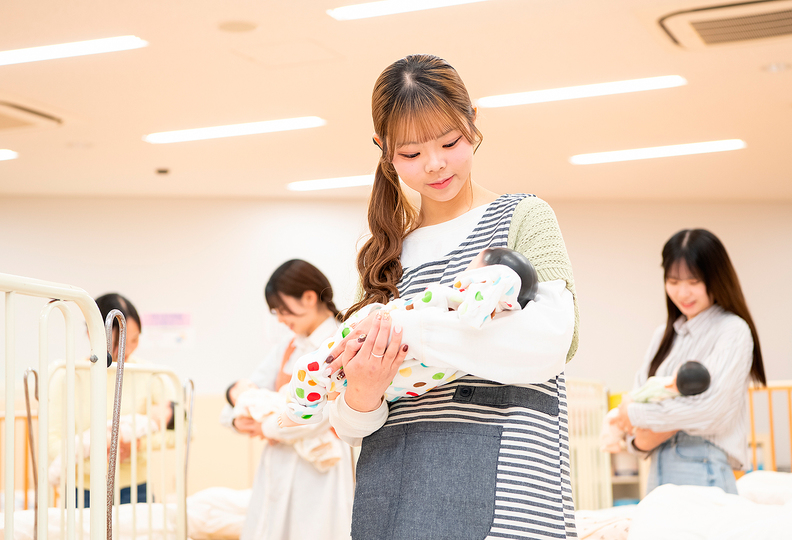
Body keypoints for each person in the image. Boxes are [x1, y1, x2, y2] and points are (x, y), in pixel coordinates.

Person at [322, 54, 580, 539]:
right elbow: (350, 423)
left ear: (472, 121)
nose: (435, 165)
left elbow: (548, 344)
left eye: (450, 142)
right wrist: (365, 387)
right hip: (396, 484)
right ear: (383, 149)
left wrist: (410, 330)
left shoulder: (524, 217)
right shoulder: (384, 254)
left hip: (506, 485)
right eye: (411, 154)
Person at [282, 247, 539, 425]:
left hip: (387, 365)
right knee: (316, 370)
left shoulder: (458, 304)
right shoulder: (470, 317)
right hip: (391, 375)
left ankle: (301, 412)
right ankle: (304, 409)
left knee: (310, 367)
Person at [610, 229, 766, 494]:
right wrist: (640, 437)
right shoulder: (664, 335)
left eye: (693, 282)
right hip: (658, 470)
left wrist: (634, 415)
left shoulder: (732, 330)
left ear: (715, 278)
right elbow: (635, 416)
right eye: (672, 281)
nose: (683, 292)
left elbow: (712, 411)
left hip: (703, 465)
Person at [219, 259, 354, 540]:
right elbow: (247, 391)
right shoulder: (289, 345)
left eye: (281, 309)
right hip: (278, 458)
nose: (280, 319)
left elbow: (322, 413)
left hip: (320, 466)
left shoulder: (343, 340)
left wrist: (265, 427)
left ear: (308, 297)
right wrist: (239, 415)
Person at [48, 293, 177, 507]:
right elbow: (52, 440)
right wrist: (95, 457)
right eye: (119, 341)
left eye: (134, 340)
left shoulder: (151, 374)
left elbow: (184, 428)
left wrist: (137, 444)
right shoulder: (67, 375)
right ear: (92, 333)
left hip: (137, 489)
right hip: (83, 491)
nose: (127, 349)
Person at [601, 360, 711, 453]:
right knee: (621, 428)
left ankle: (609, 444)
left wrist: (628, 406)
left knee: (611, 420)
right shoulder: (680, 397)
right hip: (647, 423)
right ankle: (615, 443)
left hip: (635, 410)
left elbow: (639, 394)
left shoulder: (660, 385)